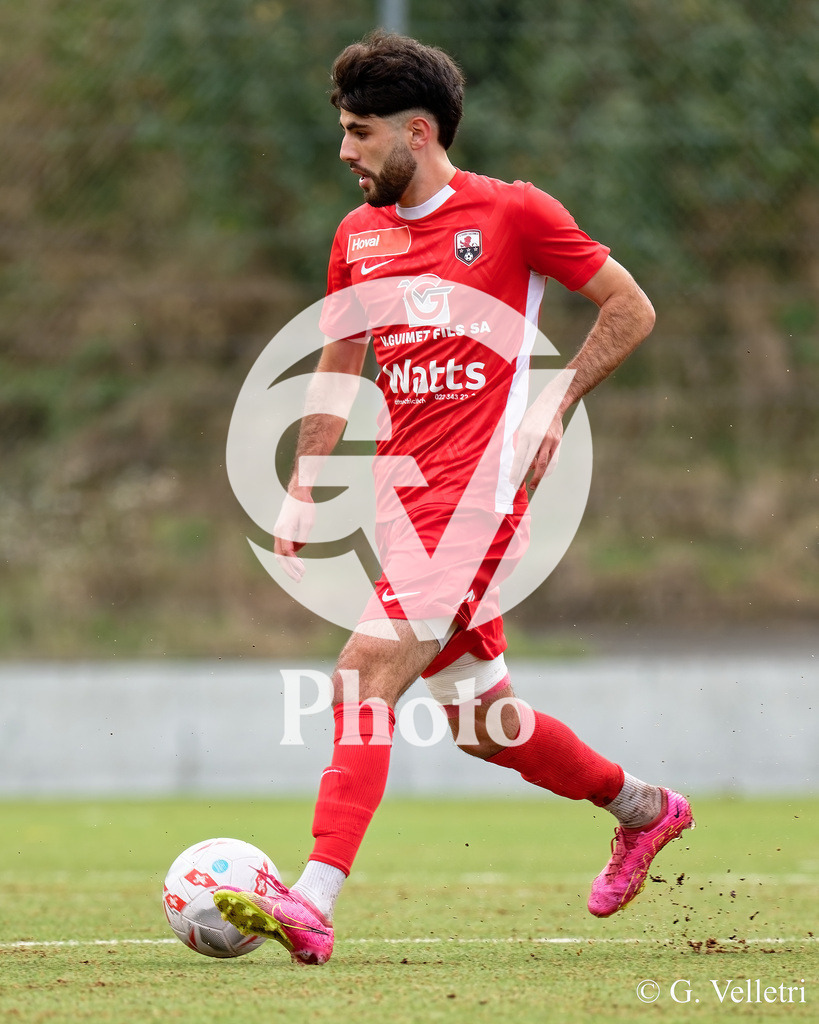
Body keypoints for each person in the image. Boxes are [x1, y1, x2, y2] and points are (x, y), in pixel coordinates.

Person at [214, 30, 693, 966]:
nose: (344, 151)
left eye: (359, 132)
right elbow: (337, 368)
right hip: (404, 508)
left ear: (419, 132)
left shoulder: (512, 214)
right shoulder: (355, 238)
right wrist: (306, 484)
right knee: (482, 723)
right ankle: (643, 809)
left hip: (479, 503)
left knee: (362, 674)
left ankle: (313, 898)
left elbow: (629, 306)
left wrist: (555, 399)